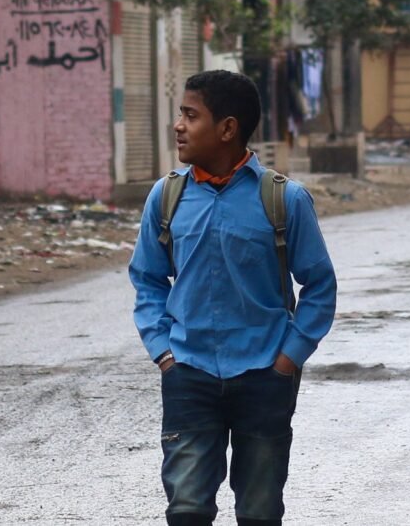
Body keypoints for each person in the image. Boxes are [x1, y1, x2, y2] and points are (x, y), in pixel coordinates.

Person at [130, 70, 337, 526]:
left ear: (227, 128)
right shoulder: (167, 197)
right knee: (186, 509)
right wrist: (164, 352)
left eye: (190, 115)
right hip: (188, 373)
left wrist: (289, 357)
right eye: (180, 115)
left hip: (265, 375)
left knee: (260, 511)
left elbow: (319, 284)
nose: (178, 126)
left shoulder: (284, 199)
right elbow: (146, 278)